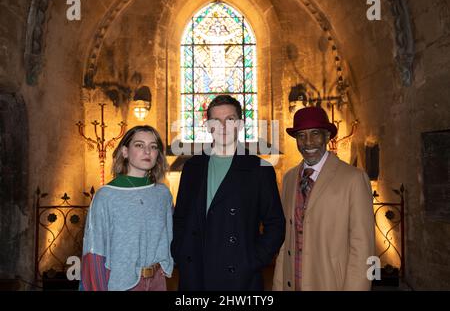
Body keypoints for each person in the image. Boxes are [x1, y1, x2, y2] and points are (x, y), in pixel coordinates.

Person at [171, 94, 285, 290]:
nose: (223, 127)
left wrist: (252, 260)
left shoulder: (260, 168)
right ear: (208, 126)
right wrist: (180, 252)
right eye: (216, 120)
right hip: (195, 273)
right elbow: (180, 217)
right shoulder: (192, 167)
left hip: (239, 278)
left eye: (230, 120)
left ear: (240, 125)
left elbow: (275, 224)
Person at [272, 107, 375, 291]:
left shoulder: (354, 179)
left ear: (327, 137)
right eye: (301, 136)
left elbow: (363, 250)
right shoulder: (288, 179)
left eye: (315, 134)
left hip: (330, 283)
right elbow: (285, 243)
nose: (308, 142)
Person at [80, 125, 173, 291]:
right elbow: (94, 251)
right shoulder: (107, 195)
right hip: (122, 283)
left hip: (158, 281)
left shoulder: (163, 194)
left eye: (153, 147)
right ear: (124, 151)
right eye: (139, 145)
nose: (147, 151)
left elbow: (170, 237)